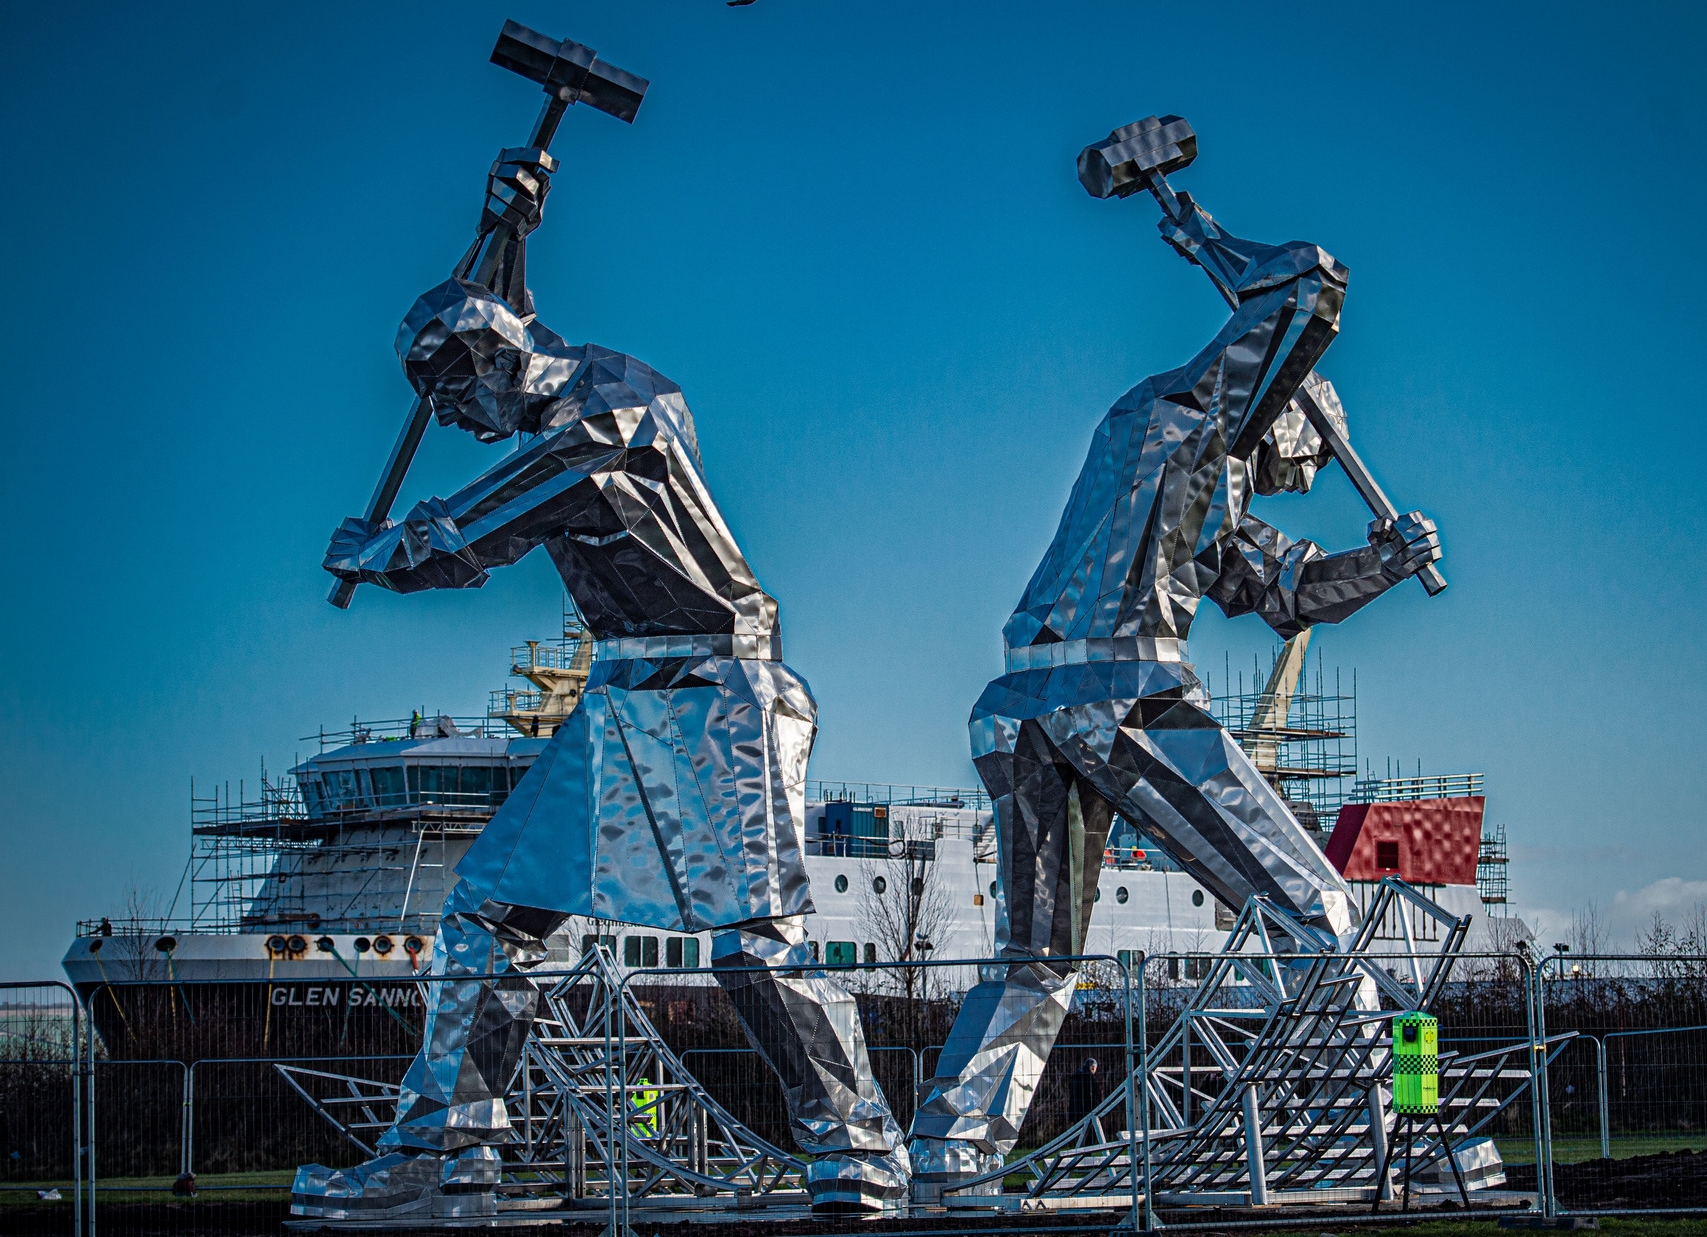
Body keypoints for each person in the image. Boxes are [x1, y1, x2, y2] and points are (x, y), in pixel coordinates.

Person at [294, 147, 907, 1219]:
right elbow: (524, 350)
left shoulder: (603, 424)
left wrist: (382, 552)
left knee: (753, 948)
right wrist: (516, 233)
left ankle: (858, 1153)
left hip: (716, 691)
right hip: (628, 697)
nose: (447, 421)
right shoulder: (586, 384)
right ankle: (447, 1158)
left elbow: (482, 527)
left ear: (480, 364)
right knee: (488, 913)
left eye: (447, 395)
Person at [905, 176, 1442, 1193]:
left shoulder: (1200, 478)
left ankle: (950, 1152)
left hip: (1023, 707)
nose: (1295, 483)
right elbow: (1305, 288)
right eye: (1300, 462)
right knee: (1324, 914)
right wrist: (1208, 234)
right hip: (1123, 692)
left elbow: (1286, 591)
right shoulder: (1184, 419)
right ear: (1284, 411)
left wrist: (1384, 564)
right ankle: (1389, 1140)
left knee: (1038, 960)